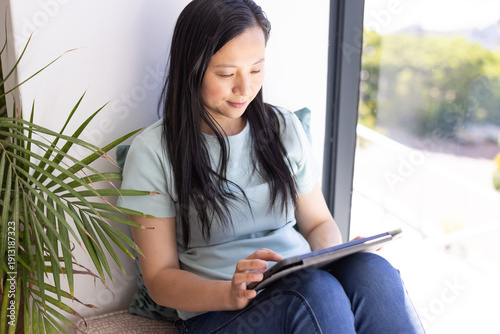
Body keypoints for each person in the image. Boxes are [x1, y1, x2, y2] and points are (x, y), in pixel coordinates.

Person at [118, 0, 425, 333]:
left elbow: (318, 222)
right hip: (220, 313)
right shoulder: (153, 151)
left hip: (299, 283)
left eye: (255, 69)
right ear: (191, 67)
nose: (245, 88)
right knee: (314, 292)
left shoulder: (283, 127)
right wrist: (229, 292)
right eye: (226, 73)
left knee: (371, 269)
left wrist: (337, 254)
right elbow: (160, 279)